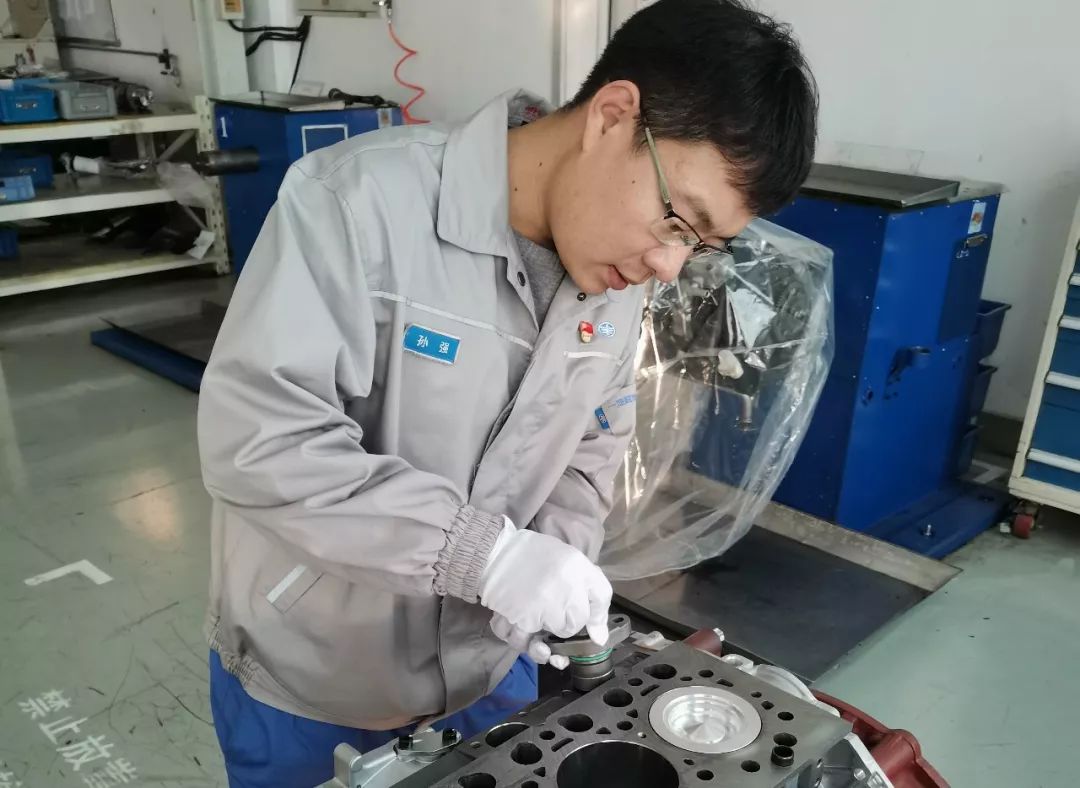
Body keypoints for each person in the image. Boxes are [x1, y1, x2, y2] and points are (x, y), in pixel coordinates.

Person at [197, 0, 817, 784]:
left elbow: (592, 446)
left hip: (489, 675)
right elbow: (260, 443)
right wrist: (482, 556)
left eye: (699, 246)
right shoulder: (357, 204)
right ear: (613, 116)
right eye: (676, 220)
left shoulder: (617, 282)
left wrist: (553, 564)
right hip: (314, 682)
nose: (668, 266)